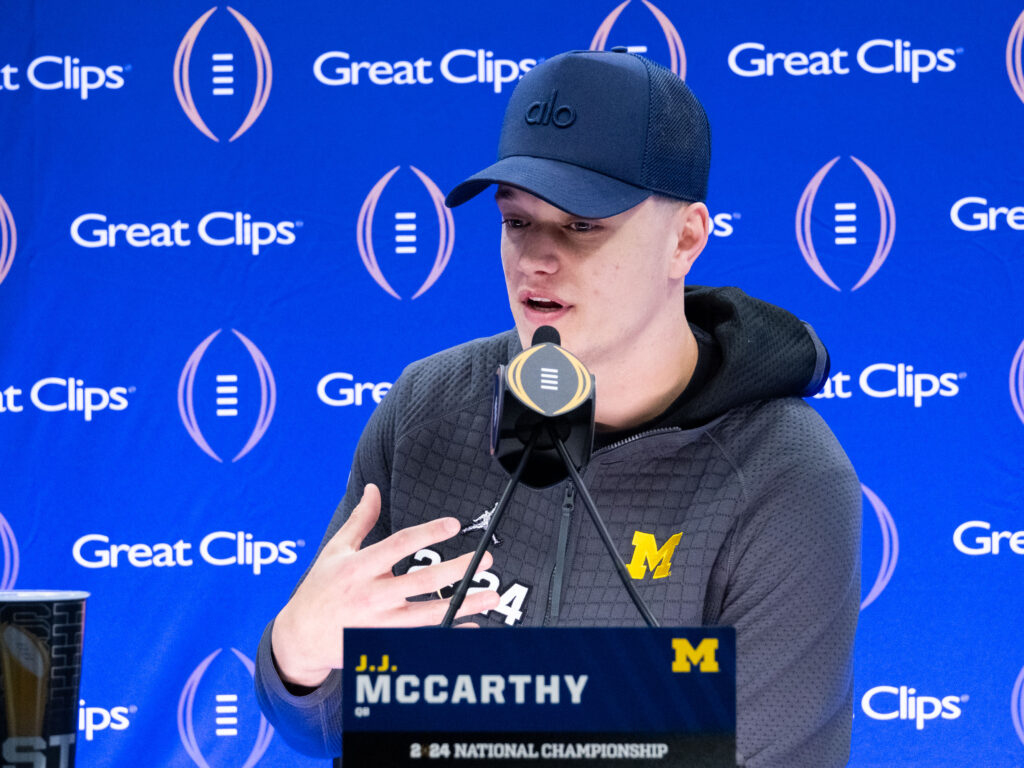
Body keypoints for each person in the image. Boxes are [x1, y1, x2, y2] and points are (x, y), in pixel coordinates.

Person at [255, 49, 861, 767]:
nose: (536, 260)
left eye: (581, 226)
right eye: (517, 223)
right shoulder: (425, 409)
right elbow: (334, 729)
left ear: (686, 239)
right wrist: (296, 659)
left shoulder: (784, 475)